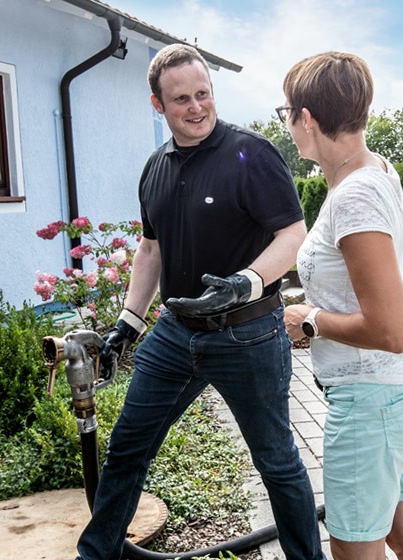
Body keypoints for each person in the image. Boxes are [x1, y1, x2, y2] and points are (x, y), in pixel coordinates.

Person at [77, 44, 324, 560]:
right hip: (175, 332)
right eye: (181, 99)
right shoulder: (155, 168)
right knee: (127, 448)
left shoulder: (251, 154)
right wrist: (128, 320)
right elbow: (150, 249)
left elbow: (293, 234)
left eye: (203, 94)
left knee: (275, 461)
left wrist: (246, 281)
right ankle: (96, 556)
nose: (196, 107)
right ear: (157, 105)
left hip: (247, 331)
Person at [279, 52, 403, 560]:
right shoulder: (375, 171)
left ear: (307, 118)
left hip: (371, 400)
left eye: (285, 112)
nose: (286, 124)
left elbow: (391, 329)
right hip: (395, 392)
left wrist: (310, 321)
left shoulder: (354, 196)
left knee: (353, 549)